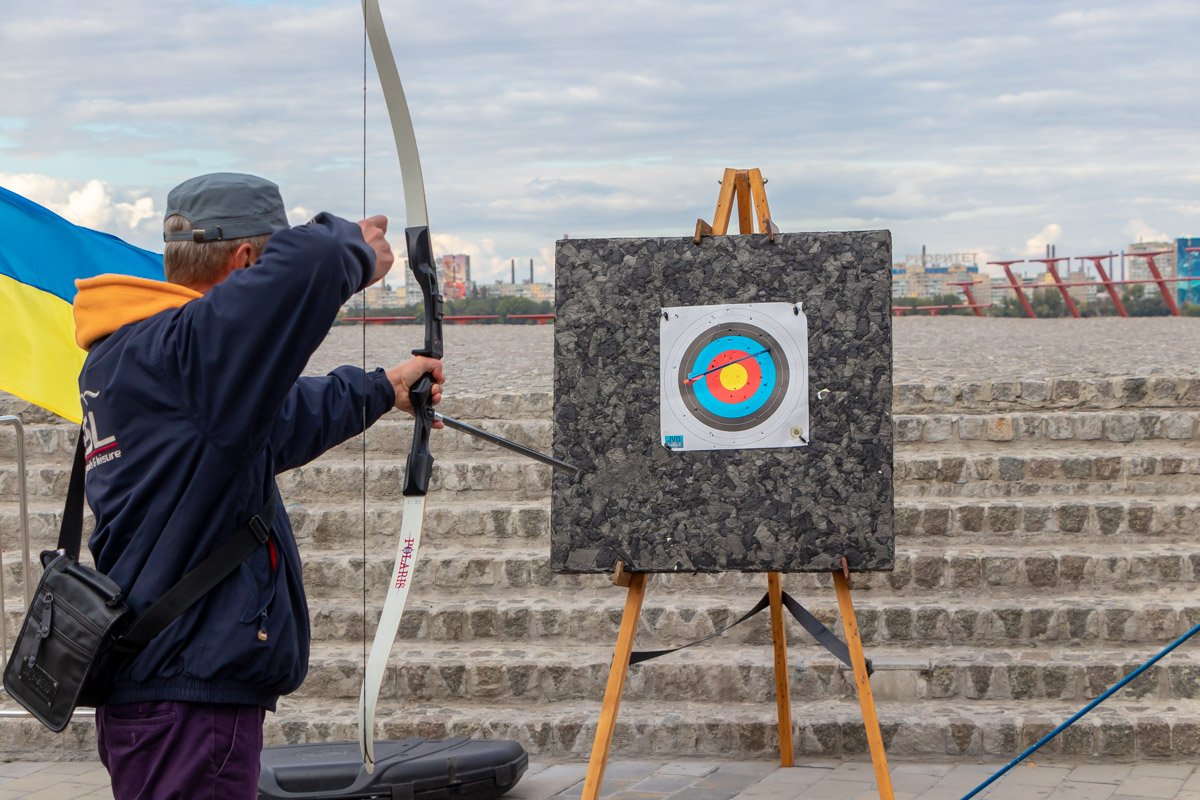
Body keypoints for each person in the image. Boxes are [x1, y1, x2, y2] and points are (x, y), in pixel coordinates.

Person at [70, 172, 444, 798]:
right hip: (187, 703)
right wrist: (353, 246)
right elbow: (317, 257)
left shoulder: (137, 355)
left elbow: (270, 426)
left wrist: (385, 387)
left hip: (165, 692)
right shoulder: (185, 348)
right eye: (262, 260)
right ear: (244, 260)